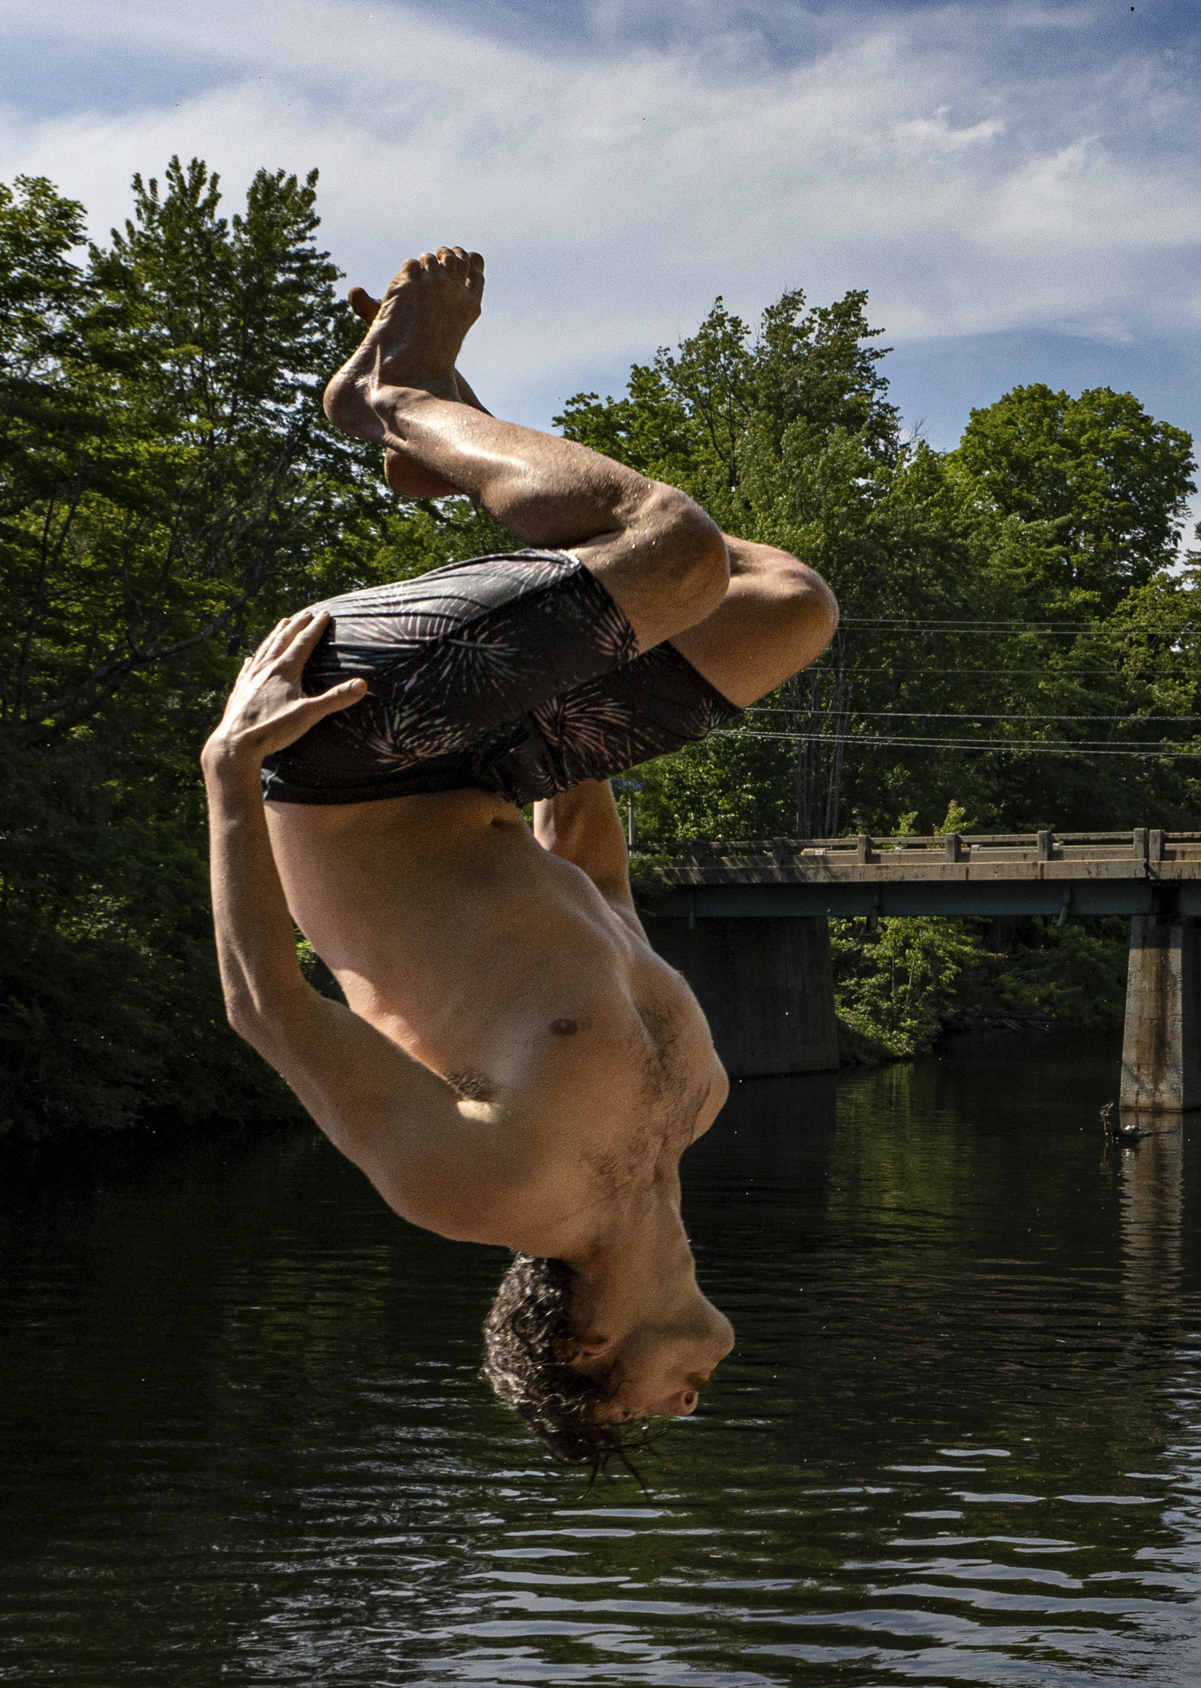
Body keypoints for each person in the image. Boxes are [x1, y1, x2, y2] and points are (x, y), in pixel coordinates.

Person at [200, 247, 838, 1468]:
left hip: (340, 762)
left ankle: (386, 399)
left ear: (582, 1350)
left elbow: (265, 1007)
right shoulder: (692, 1106)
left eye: (647, 1410)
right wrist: (577, 669)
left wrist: (226, 773)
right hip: (497, 772)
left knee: (675, 553)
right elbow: (591, 876)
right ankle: (453, 428)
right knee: (784, 600)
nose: (688, 1404)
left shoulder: (479, 1189)